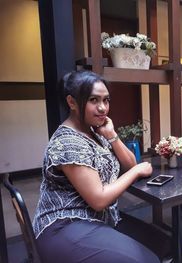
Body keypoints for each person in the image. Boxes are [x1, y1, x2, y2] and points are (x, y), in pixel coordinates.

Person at [32, 70, 160, 263]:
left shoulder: (95, 132)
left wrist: (112, 135)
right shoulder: (68, 141)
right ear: (72, 102)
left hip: (98, 219)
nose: (103, 108)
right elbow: (99, 199)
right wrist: (136, 171)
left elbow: (131, 164)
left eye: (106, 100)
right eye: (94, 100)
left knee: (162, 244)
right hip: (64, 226)